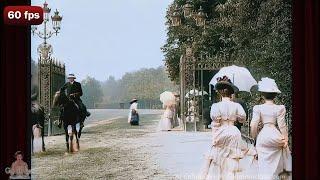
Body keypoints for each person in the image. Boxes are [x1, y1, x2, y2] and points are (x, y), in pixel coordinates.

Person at [201, 76, 250, 180]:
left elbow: (215, 123)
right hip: (233, 131)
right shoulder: (236, 106)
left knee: (219, 156)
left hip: (221, 131)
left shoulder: (216, 106)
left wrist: (214, 137)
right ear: (231, 93)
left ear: (219, 93)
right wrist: (234, 119)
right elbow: (242, 118)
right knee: (232, 158)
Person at [250, 77, 292, 180]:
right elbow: (282, 125)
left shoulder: (258, 108)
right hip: (275, 135)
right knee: (277, 165)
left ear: (262, 95)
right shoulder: (279, 108)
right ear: (275, 95)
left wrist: (255, 138)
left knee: (264, 165)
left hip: (264, 136)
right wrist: (286, 139)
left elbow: (253, 125)